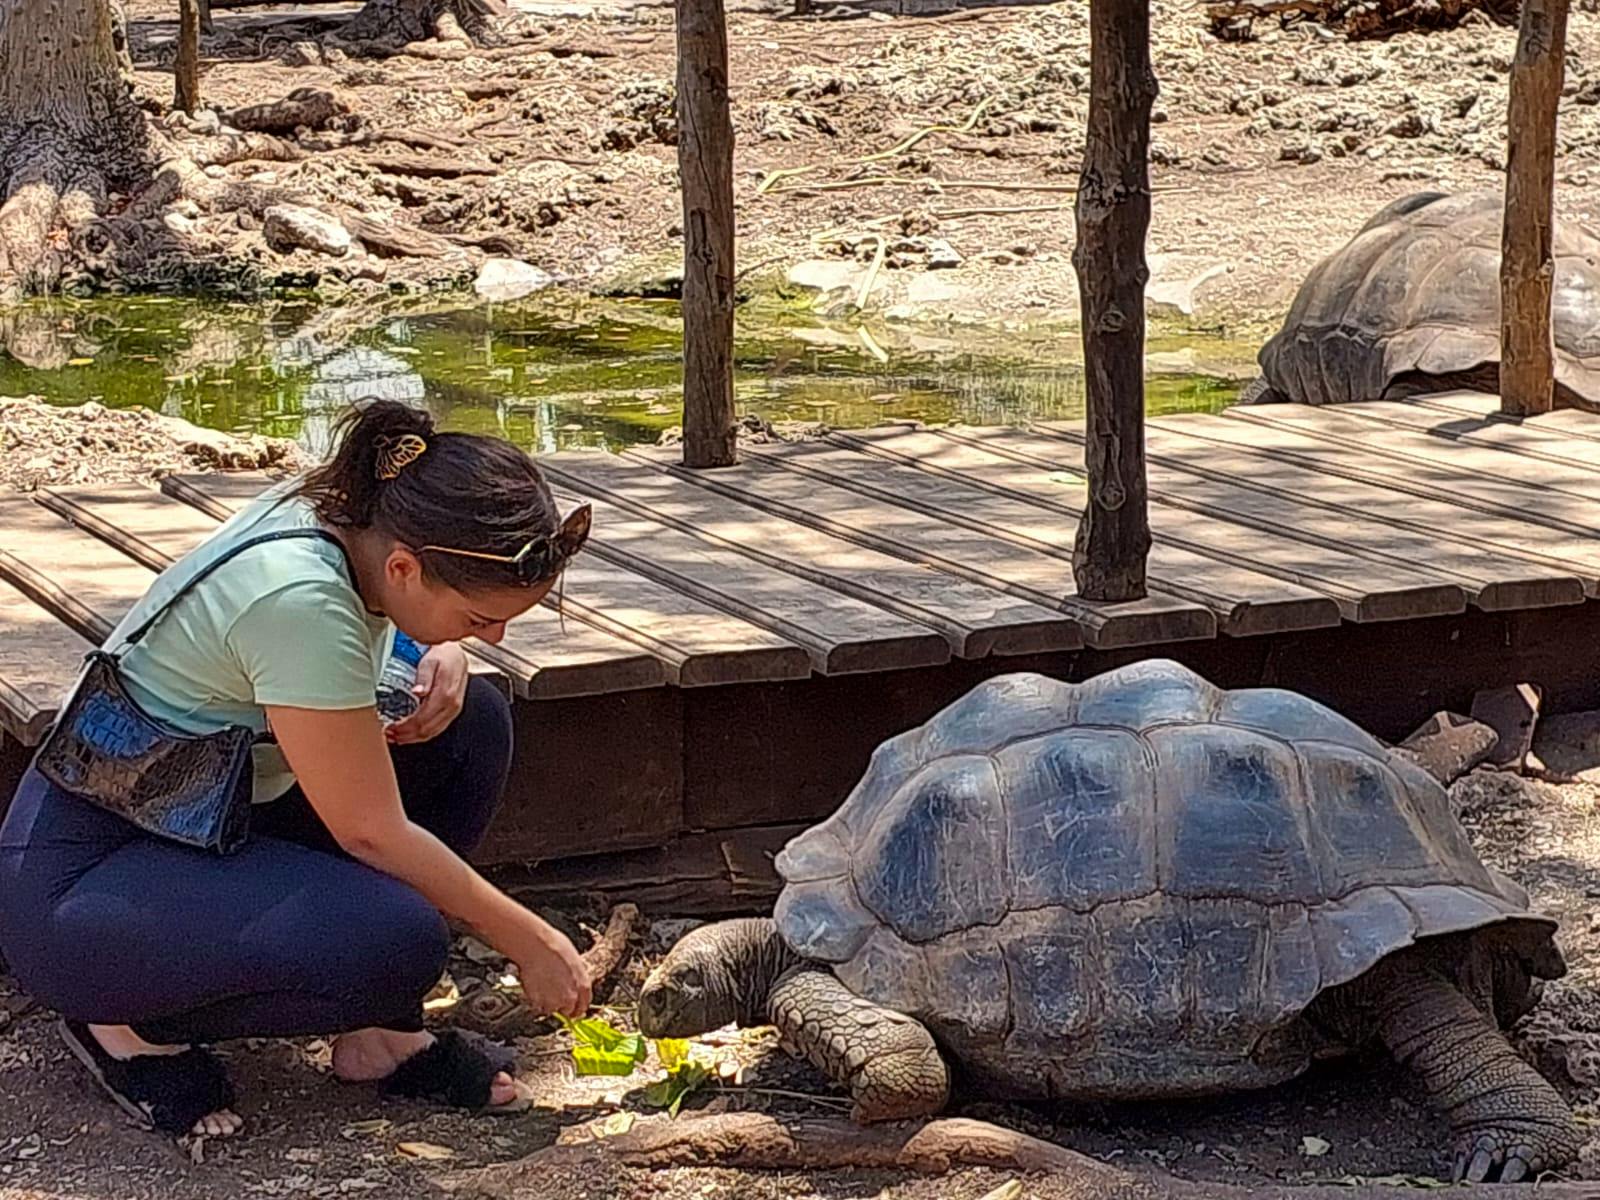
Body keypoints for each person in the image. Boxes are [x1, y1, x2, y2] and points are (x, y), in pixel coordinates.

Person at [0, 400, 594, 1139]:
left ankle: (378, 1033)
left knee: (469, 722)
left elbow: (374, 643)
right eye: (480, 619)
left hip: (208, 809)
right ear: (406, 566)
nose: (497, 636)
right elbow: (372, 832)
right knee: (398, 942)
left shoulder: (354, 513)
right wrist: (530, 939)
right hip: (85, 879)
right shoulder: (300, 598)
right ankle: (120, 1022)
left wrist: (442, 646)